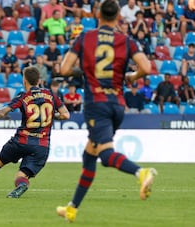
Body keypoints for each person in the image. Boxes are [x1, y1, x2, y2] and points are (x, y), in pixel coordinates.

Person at [56, 0, 157, 222]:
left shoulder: (85, 38)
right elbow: (147, 67)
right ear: (118, 16)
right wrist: (130, 77)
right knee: (89, 155)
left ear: (98, 15)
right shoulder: (126, 40)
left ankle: (141, 173)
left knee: (105, 154)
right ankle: (72, 208)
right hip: (118, 104)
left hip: (97, 104)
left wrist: (83, 71)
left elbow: (63, 69)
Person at [0, 66, 70, 198]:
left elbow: (3, 112)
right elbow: (66, 115)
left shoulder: (23, 96)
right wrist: (52, 116)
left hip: (20, 141)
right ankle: (22, 185)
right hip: (41, 145)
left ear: (24, 80)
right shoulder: (51, 95)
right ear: (39, 80)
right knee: (22, 175)